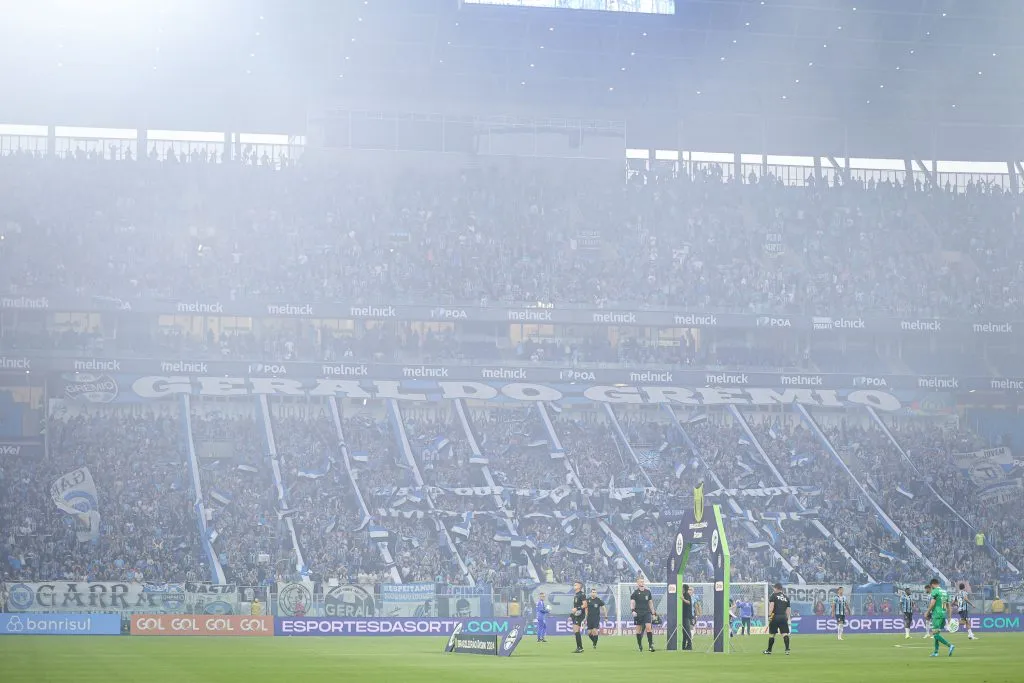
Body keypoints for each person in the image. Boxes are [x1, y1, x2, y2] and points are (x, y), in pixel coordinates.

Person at [925, 579, 954, 657]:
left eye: (931, 586)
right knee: (936, 633)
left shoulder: (935, 591)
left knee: (935, 634)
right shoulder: (945, 592)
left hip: (936, 614)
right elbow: (949, 606)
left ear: (932, 584)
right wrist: (949, 616)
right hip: (943, 614)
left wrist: (927, 612)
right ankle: (936, 652)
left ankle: (950, 645)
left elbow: (932, 604)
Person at [630, 576, 656, 653]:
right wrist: (633, 611)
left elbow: (650, 603)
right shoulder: (635, 593)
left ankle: (650, 646)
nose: (642, 583)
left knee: (648, 628)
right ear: (637, 583)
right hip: (638, 613)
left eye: (642, 581)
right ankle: (640, 645)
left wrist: (653, 613)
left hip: (647, 612)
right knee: (638, 631)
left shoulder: (648, 592)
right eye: (640, 581)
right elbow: (632, 603)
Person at [764, 583, 791, 655]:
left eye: (774, 588)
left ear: (776, 588)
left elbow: (771, 606)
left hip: (775, 616)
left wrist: (770, 616)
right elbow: (788, 610)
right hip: (783, 617)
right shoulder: (786, 598)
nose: (773, 589)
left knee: (772, 634)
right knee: (785, 633)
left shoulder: (773, 595)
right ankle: (787, 650)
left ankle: (769, 650)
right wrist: (787, 618)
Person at [571, 581, 588, 654]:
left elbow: (585, 605)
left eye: (575, 585)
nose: (574, 586)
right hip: (576, 614)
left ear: (579, 586)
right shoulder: (576, 595)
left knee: (576, 630)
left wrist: (577, 608)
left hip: (580, 614)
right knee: (575, 630)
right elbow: (575, 607)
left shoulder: (582, 594)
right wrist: (571, 615)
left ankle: (580, 648)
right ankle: (579, 647)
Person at [681, 584, 695, 650]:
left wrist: (683, 599)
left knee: (687, 631)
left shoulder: (687, 594)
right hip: (683, 615)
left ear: (684, 588)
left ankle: (689, 645)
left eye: (682, 587)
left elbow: (688, 602)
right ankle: (683, 645)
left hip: (686, 615)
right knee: (684, 631)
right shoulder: (684, 594)